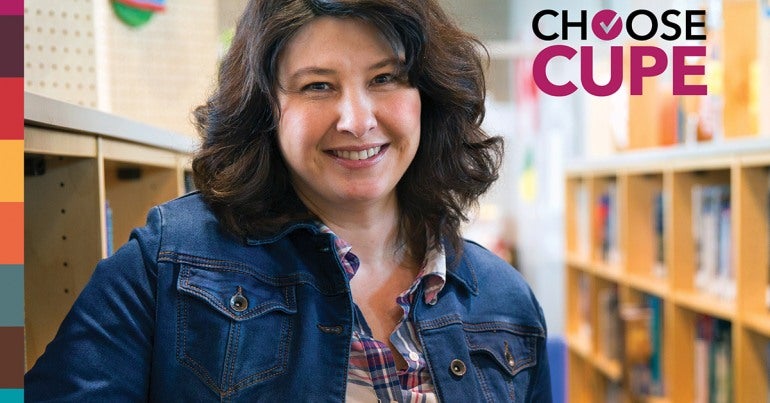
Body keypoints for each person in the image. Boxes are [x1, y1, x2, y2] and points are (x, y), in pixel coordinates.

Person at [25, 0, 552, 401]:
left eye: (385, 78)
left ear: (428, 96)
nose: (357, 119)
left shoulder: (507, 303)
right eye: (317, 86)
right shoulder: (167, 262)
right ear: (266, 110)